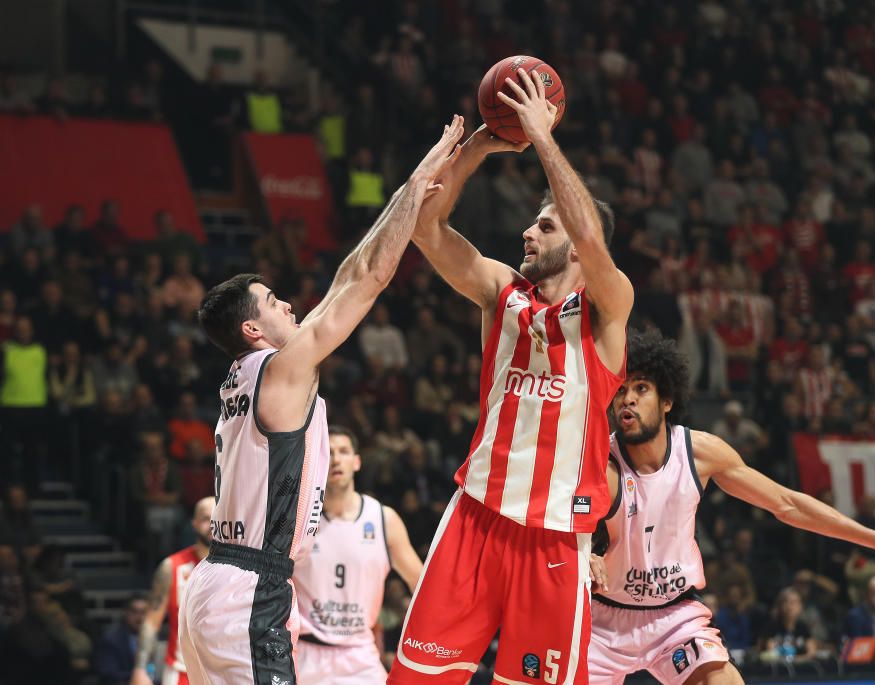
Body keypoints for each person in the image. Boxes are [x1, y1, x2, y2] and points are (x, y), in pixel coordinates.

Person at [178, 116, 465, 685]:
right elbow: (368, 280)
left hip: (216, 585)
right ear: (253, 330)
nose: (289, 306)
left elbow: (344, 277)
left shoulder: (247, 375)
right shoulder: (281, 372)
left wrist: (404, 198)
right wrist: (414, 185)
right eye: (274, 302)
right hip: (250, 591)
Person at [389, 69, 633, 685]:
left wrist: (542, 136)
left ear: (577, 246)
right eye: (533, 222)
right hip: (476, 516)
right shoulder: (501, 290)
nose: (528, 230)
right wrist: (483, 145)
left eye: (545, 226)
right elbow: (427, 229)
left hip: (554, 538)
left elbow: (588, 232)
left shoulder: (607, 307)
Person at [587, 329, 875, 685]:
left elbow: (787, 503)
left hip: (673, 616)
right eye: (620, 391)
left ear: (666, 401)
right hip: (603, 619)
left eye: (640, 389)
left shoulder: (700, 453)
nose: (627, 400)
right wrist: (583, 552)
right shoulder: (599, 462)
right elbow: (559, 523)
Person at [293, 426, 423, 684]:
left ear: (357, 462)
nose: (336, 459)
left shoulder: (383, 519)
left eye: (344, 451)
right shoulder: (298, 517)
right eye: (328, 453)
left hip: (360, 655)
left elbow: (421, 585)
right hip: (304, 653)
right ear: (318, 462)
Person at [131, 497, 214, 685]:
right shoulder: (171, 567)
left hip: (224, 673)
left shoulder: (237, 568)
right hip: (181, 672)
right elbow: (151, 622)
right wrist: (140, 668)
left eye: (216, 518)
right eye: (205, 518)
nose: (212, 524)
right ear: (193, 524)